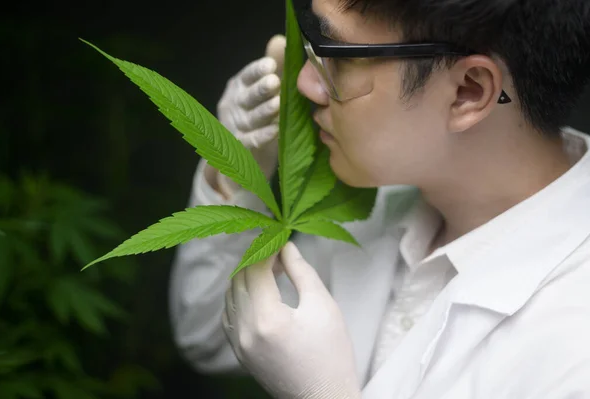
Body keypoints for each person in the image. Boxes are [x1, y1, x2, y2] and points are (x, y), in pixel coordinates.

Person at [169, 0, 590, 397]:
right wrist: (235, 175)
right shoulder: (383, 200)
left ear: (468, 91)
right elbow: (211, 334)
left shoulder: (574, 346)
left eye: (341, 55)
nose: (305, 83)